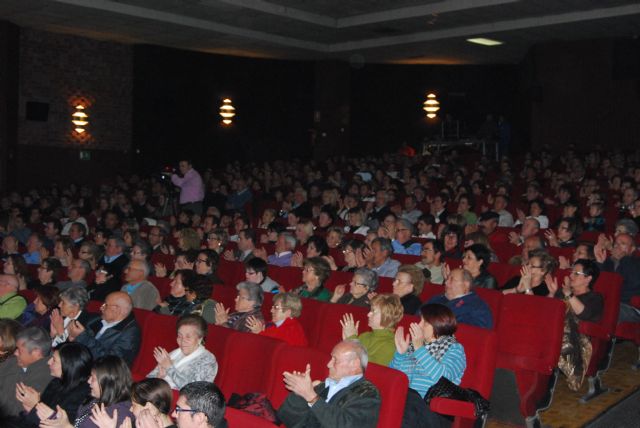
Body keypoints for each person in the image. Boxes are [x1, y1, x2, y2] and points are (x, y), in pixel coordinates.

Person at [390, 304, 466, 428]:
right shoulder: (413, 346)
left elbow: (443, 378)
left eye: (424, 323)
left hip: (434, 410)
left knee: (407, 399)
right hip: (407, 404)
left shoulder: (454, 348)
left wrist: (419, 349)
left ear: (438, 324)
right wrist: (400, 355)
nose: (419, 325)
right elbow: (395, 379)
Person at [277, 339, 381, 428]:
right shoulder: (321, 386)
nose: (328, 364)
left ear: (355, 364)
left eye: (335, 360)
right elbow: (285, 418)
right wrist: (299, 394)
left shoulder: (368, 393)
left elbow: (346, 425)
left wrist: (311, 397)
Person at [546, 259, 603, 391]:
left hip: (576, 338)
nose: (570, 276)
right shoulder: (562, 291)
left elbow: (584, 314)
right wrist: (551, 294)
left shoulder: (594, 298)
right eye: (571, 272)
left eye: (576, 273)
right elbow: (545, 311)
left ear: (588, 279)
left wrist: (569, 295)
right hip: (554, 332)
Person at [35, 355, 135, 428]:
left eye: (93, 378)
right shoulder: (95, 400)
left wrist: (64, 425)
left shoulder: (120, 415)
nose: (88, 381)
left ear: (108, 383)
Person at [13, 342, 92, 428]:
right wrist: (29, 407)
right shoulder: (57, 381)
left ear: (68, 365)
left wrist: (36, 405)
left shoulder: (83, 396)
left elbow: (54, 424)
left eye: (54, 360)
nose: (48, 362)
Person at [68, 291, 141, 366]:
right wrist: (74, 339)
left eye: (105, 305)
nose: (101, 308)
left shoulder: (130, 333)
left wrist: (82, 337)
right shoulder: (96, 320)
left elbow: (110, 362)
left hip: (102, 373)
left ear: (117, 310)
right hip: (81, 362)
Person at [148, 315, 218, 390]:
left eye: (188, 337)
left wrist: (169, 368)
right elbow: (148, 380)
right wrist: (159, 377)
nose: (182, 341)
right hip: (159, 393)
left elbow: (192, 390)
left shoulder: (208, 360)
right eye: (179, 336)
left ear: (200, 338)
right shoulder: (174, 353)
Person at [0, 327, 53, 419]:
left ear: (36, 353)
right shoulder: (14, 361)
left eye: (20, 350)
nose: (15, 353)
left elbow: (16, 411)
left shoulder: (45, 377)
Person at [340, 294, 404, 366]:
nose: (368, 314)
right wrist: (346, 342)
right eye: (370, 310)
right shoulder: (365, 335)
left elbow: (370, 367)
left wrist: (352, 339)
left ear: (386, 316)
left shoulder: (391, 344)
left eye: (374, 311)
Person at [594, 233, 640, 322]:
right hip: (610, 303)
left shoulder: (636, 263)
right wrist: (600, 263)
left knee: (604, 309)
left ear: (632, 249)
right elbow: (600, 287)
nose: (617, 247)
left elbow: (635, 283)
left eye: (622, 244)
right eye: (616, 244)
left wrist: (624, 258)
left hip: (630, 307)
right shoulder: (609, 262)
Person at [427, 268, 493, 329]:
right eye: (447, 279)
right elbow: (420, 312)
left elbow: (478, 332)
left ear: (466, 285)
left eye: (451, 280)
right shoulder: (439, 297)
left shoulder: (477, 305)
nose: (446, 282)